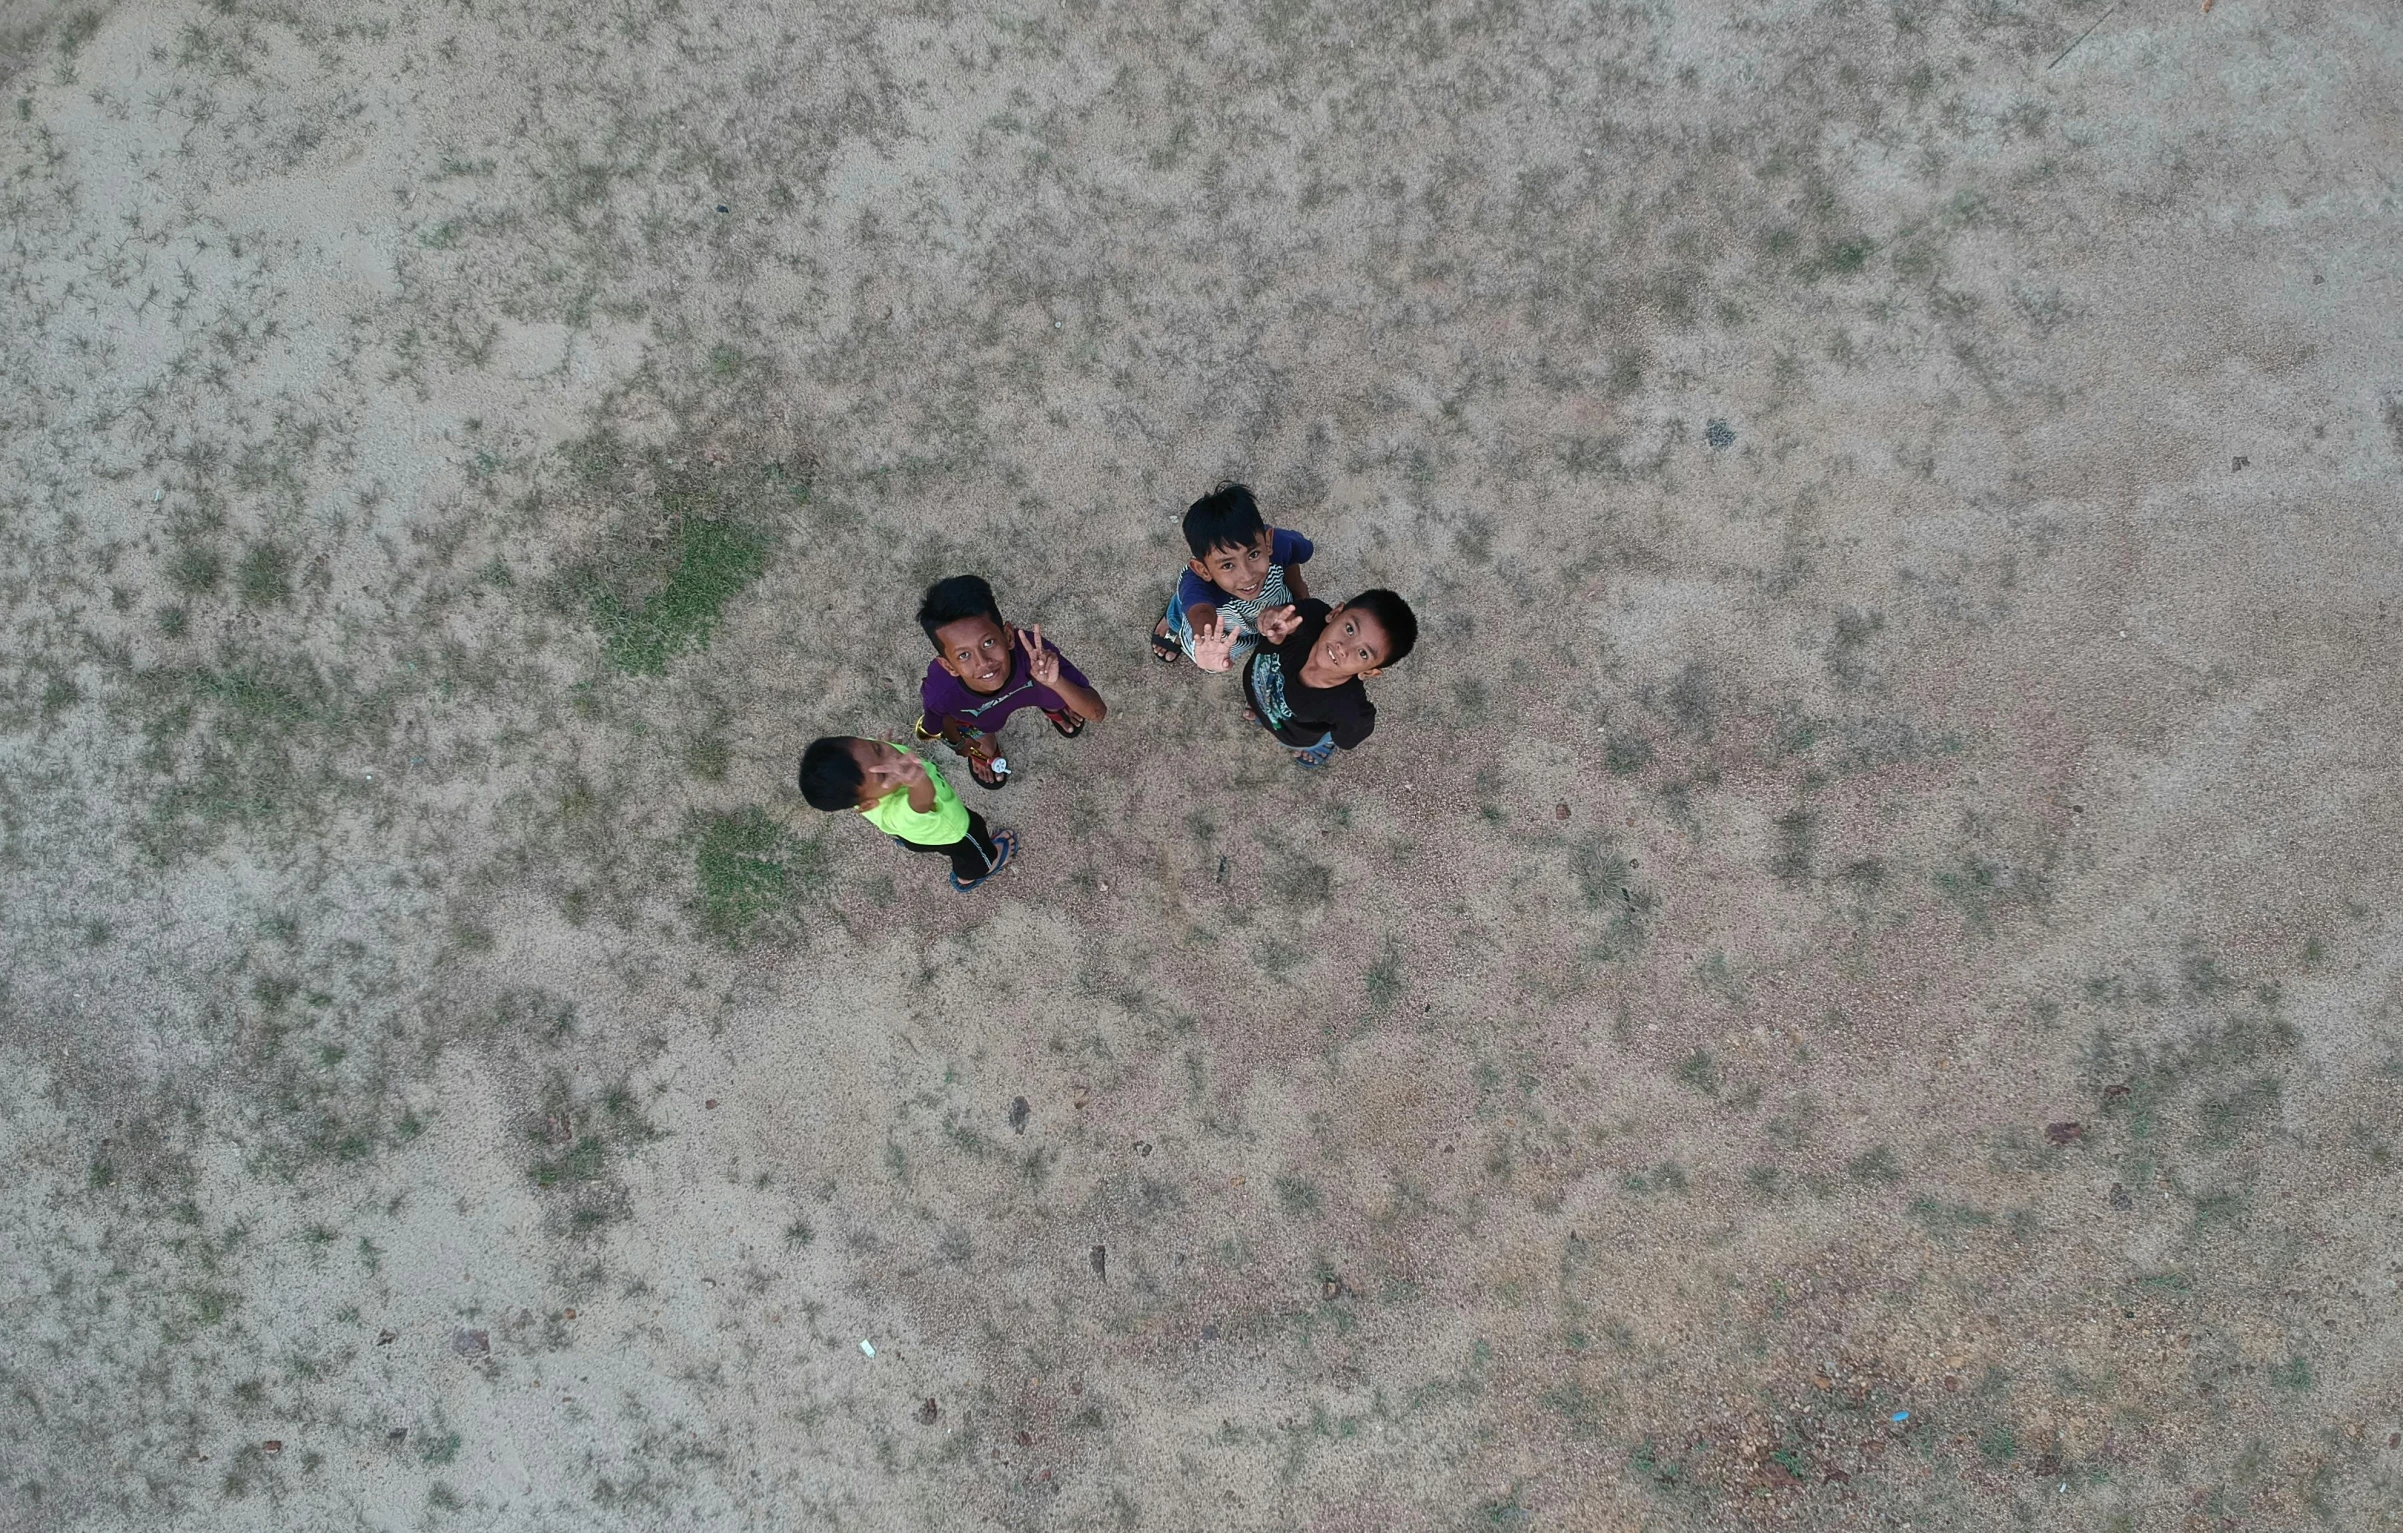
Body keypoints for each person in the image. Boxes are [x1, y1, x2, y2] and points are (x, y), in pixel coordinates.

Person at [914, 575, 1108, 790]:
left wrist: (1056, 682)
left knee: (1055, 693)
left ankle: (1054, 706)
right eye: (963, 656)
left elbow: (1097, 714)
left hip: (1034, 686)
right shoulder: (940, 690)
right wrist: (959, 742)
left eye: (988, 642)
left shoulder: (1033, 654)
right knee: (982, 727)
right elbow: (939, 722)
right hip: (979, 716)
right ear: (948, 665)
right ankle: (986, 741)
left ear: (1008, 636)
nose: (983, 663)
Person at [1221, 590, 1417, 769]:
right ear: (1334, 614)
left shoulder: (1349, 709)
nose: (1344, 647)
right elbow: (1281, 617)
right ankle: (1262, 709)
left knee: (1313, 737)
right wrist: (1271, 616)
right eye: (1349, 629)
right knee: (1264, 707)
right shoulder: (1308, 617)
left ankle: (1319, 745)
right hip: (1258, 690)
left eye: (1363, 653)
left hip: (1294, 735)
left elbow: (1348, 738)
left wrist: (1334, 738)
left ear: (1368, 672)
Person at [797, 735, 1016, 891]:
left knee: (919, 840)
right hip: (955, 831)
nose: (893, 760)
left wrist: (885, 748)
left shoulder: (867, 775)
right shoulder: (898, 812)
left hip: (918, 834)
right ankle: (975, 871)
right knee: (974, 842)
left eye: (877, 748)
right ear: (868, 805)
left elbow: (878, 761)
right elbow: (922, 802)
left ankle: (909, 840)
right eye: (883, 776)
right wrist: (918, 781)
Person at [1149, 482, 1314, 670]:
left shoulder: (1282, 544)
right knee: (1186, 602)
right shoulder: (1197, 582)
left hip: (1262, 610)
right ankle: (1173, 619)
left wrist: (1299, 592)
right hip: (1221, 622)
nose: (1247, 575)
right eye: (1228, 565)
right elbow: (1201, 613)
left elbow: (1291, 557)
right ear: (1203, 570)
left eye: (1253, 554)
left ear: (1268, 542)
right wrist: (1206, 641)